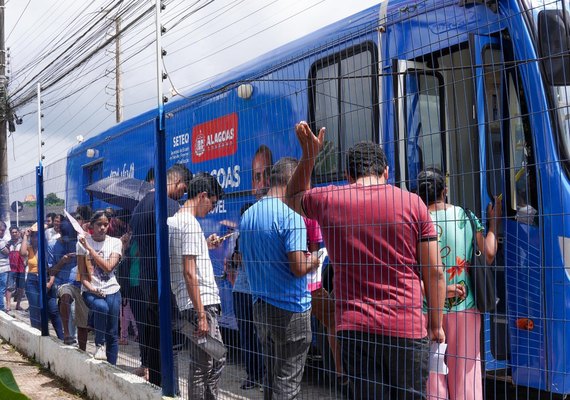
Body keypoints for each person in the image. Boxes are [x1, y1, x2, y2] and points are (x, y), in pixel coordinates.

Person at [284, 122, 446, 399]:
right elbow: (435, 272)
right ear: (386, 172)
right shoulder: (413, 203)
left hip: (355, 329)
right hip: (407, 328)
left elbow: (292, 198)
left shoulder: (330, 200)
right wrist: (435, 323)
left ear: (348, 174)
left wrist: (310, 154)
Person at [416, 168, 501, 400]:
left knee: (433, 375)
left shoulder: (416, 222)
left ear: (419, 195)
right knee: (465, 374)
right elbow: (490, 253)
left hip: (427, 309)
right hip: (464, 309)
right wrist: (494, 223)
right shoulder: (466, 217)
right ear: (445, 191)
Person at [240, 157, 319, 399]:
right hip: (291, 310)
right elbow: (298, 267)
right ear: (294, 180)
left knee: (271, 378)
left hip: (260, 307)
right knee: (288, 382)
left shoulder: (249, 214)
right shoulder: (292, 216)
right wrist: (315, 258)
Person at [130, 163, 192, 385]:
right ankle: (171, 392)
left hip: (148, 284)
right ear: (176, 181)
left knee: (155, 341)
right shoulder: (170, 207)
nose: (182, 195)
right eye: (183, 190)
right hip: (167, 285)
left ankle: (157, 389)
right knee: (171, 345)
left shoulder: (140, 206)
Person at [168, 172, 225, 399]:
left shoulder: (174, 220)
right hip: (201, 302)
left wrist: (204, 244)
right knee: (211, 361)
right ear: (202, 196)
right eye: (212, 202)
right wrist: (201, 315)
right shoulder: (190, 224)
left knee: (203, 361)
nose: (211, 208)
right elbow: (189, 272)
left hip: (186, 301)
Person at [77, 210, 123, 364]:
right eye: (99, 224)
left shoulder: (115, 242)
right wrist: (91, 289)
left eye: (106, 224)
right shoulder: (81, 242)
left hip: (112, 290)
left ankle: (112, 367)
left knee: (113, 333)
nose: (103, 228)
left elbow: (109, 267)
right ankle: (99, 344)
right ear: (91, 225)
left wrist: (90, 249)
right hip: (91, 290)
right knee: (101, 307)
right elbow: (82, 275)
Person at [228, 202, 264, 390]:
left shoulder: (258, 235)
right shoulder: (241, 237)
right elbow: (236, 260)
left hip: (256, 291)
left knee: (260, 336)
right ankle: (254, 374)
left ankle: (261, 375)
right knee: (250, 335)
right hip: (244, 291)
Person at [21, 223, 64, 339]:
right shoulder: (29, 249)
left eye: (38, 235)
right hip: (32, 280)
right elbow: (22, 253)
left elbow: (53, 268)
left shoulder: (47, 248)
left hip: (47, 279)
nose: (35, 238)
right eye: (33, 236)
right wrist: (25, 236)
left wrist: (50, 282)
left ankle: (62, 337)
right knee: (34, 309)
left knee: (53, 310)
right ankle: (37, 336)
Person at [48, 220, 82, 346]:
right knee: (65, 296)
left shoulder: (79, 244)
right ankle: (67, 334)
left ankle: (77, 339)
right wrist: (62, 261)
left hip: (79, 282)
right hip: (62, 283)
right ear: (60, 233)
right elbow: (51, 271)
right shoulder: (52, 245)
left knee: (75, 312)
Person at [6, 226, 25, 312]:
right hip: (11, 268)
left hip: (21, 268)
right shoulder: (8, 243)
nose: (14, 234)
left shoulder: (23, 242)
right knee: (9, 287)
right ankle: (8, 306)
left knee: (21, 288)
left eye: (15, 232)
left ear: (18, 232)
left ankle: (18, 305)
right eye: (12, 232)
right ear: (10, 233)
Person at [0, 221, 10, 312]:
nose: (1, 232)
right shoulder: (1, 242)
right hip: (2, 268)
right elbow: (7, 252)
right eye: (1, 230)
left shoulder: (4, 239)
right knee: (1, 289)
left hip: (3, 268)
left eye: (3, 230)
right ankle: (1, 308)